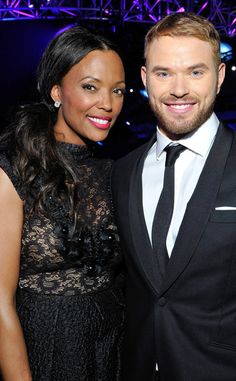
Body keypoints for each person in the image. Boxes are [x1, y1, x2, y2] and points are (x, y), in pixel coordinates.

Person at [112, 12, 236, 381]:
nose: (178, 89)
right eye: (164, 73)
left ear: (220, 77)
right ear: (146, 78)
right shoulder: (123, 171)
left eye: (196, 72)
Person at [0, 25, 126, 381]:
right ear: (57, 90)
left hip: (112, 347)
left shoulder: (115, 171)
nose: (108, 103)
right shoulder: (14, 167)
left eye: (117, 91)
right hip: (45, 351)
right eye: (91, 87)